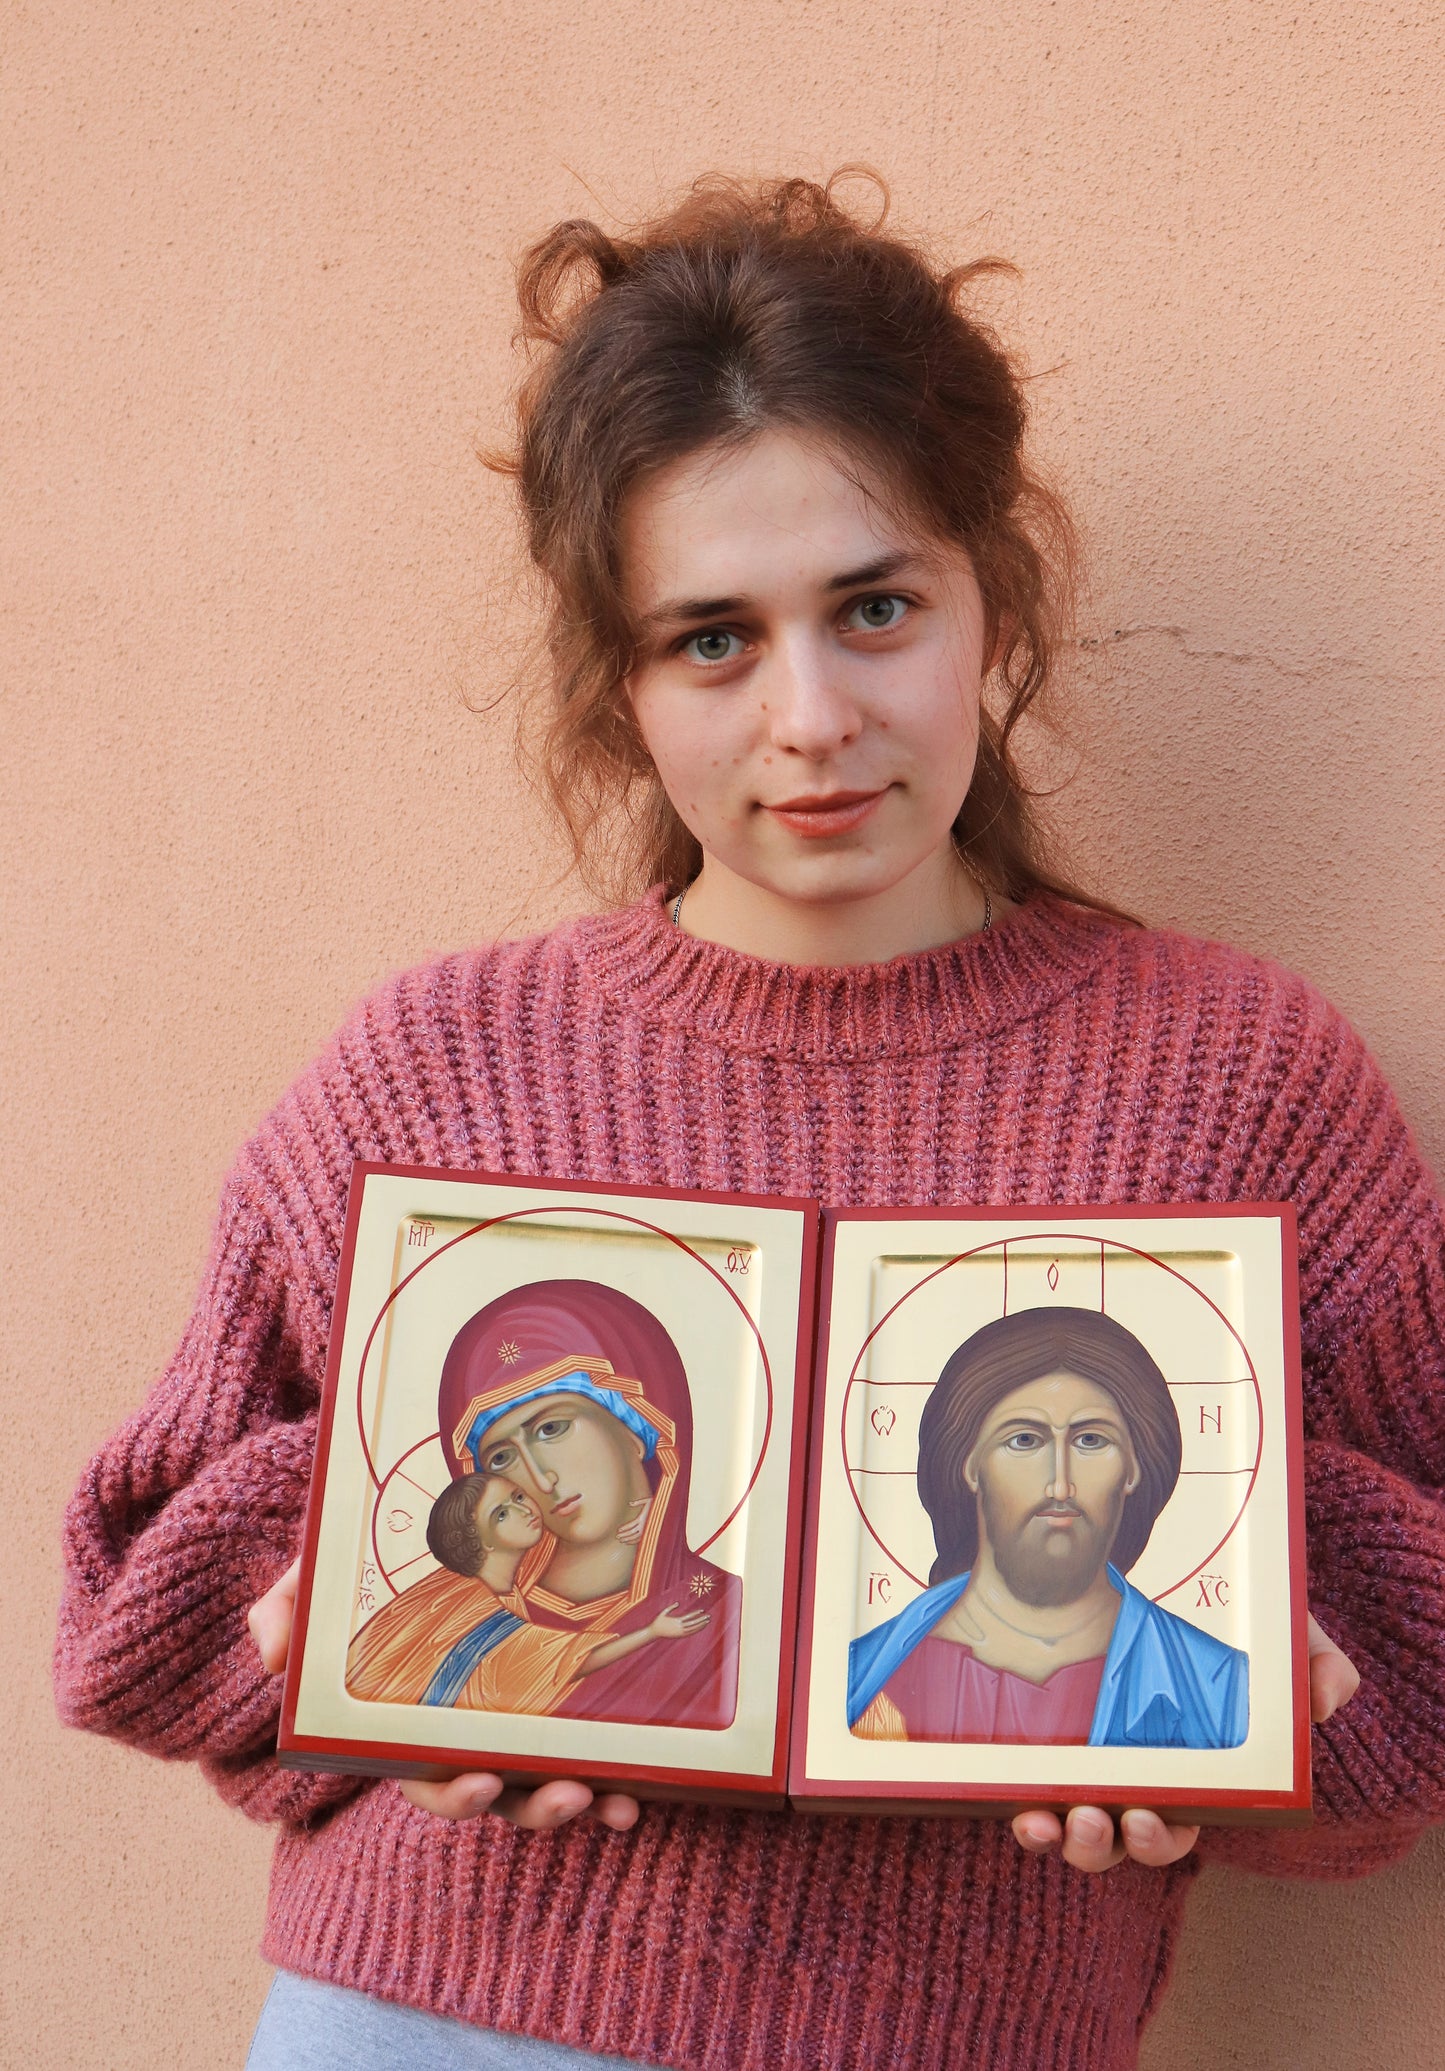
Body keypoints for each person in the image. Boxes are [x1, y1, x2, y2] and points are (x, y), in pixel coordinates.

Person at [52, 172, 1445, 2071]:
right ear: (618, 686)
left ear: (991, 606)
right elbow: (141, 1609)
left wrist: (1234, 1735)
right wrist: (374, 1631)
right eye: (712, 637)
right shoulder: (438, 1064)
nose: (811, 716)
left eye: (875, 608)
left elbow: (1409, 1688)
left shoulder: (1242, 1078)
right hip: (431, 2021)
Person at [847, 1307, 1249, 1747]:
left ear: (1133, 1468)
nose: (1061, 1483)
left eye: (1091, 1440)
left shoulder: (1217, 1687)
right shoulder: (862, 1680)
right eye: (1024, 1440)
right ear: (969, 1465)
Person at [346, 1279, 732, 1723]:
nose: (541, 1478)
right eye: (503, 1456)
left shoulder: (725, 1618)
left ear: (635, 1426)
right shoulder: (449, 1616)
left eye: (552, 1429)